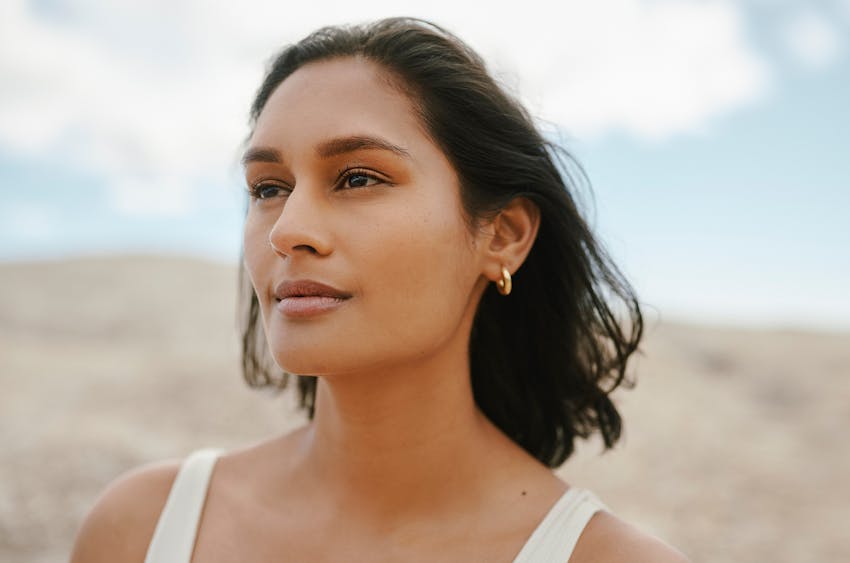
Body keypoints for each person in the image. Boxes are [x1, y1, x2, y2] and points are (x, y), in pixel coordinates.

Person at [71, 18, 688, 562]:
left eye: (357, 177)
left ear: (502, 233)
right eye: (267, 188)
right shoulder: (140, 528)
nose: (288, 231)